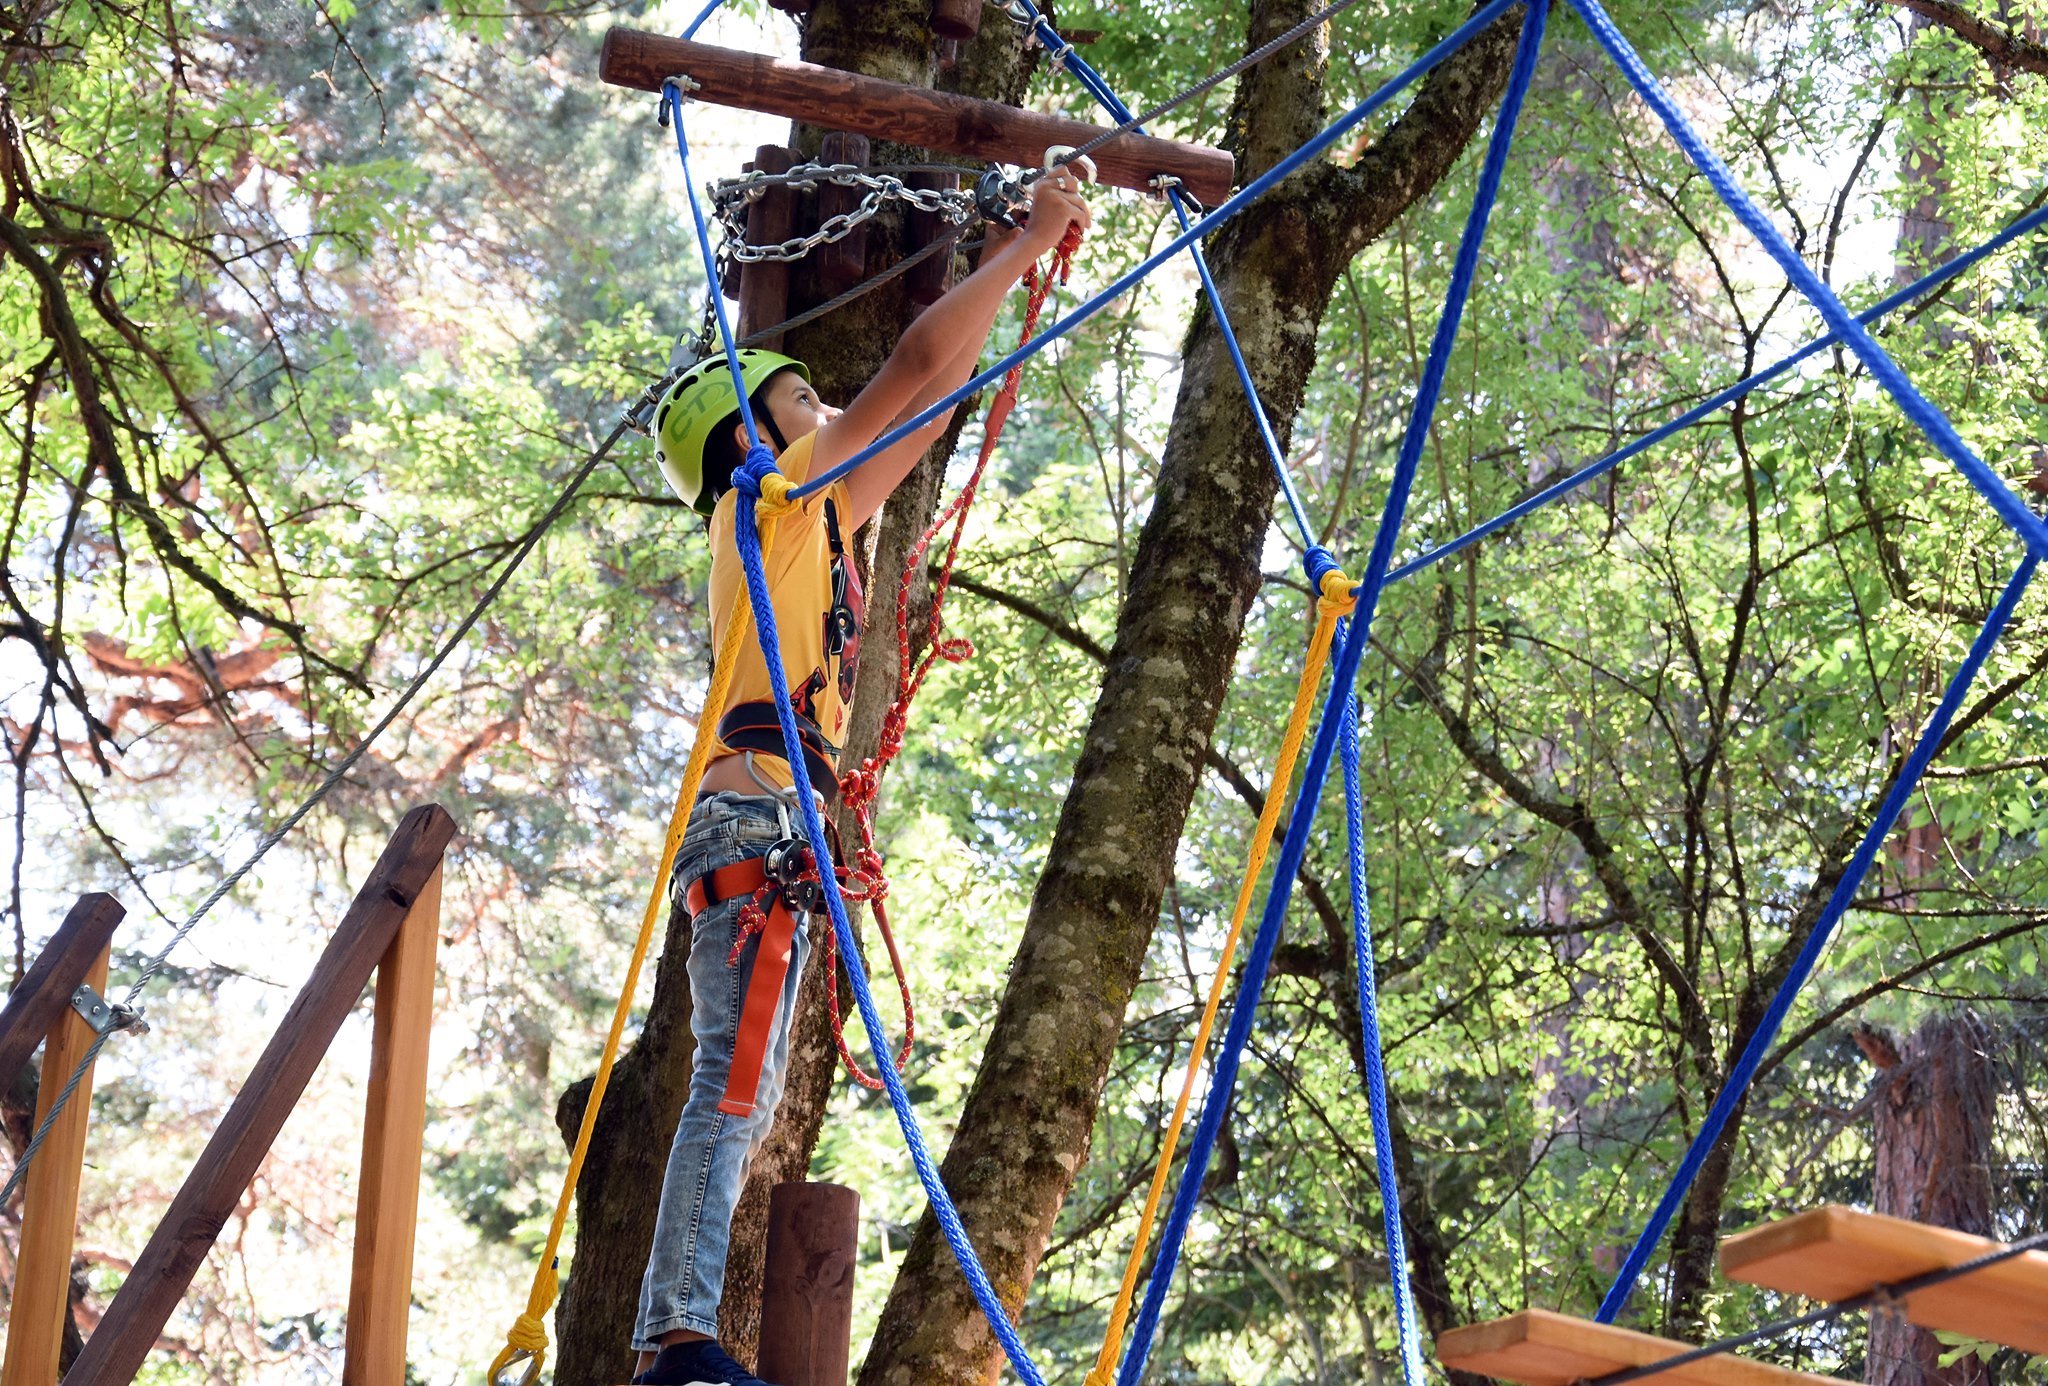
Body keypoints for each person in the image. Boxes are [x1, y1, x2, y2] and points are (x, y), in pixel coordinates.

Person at [628, 168, 1092, 1386]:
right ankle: (674, 1340)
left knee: (743, 1092)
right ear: (750, 435)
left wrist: (1006, 261)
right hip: (753, 817)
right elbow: (911, 367)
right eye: (801, 398)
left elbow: (930, 405)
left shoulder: (814, 522)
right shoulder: (773, 502)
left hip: (774, 822)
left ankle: (676, 1332)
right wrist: (1024, 243)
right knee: (732, 1090)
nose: (826, 406)